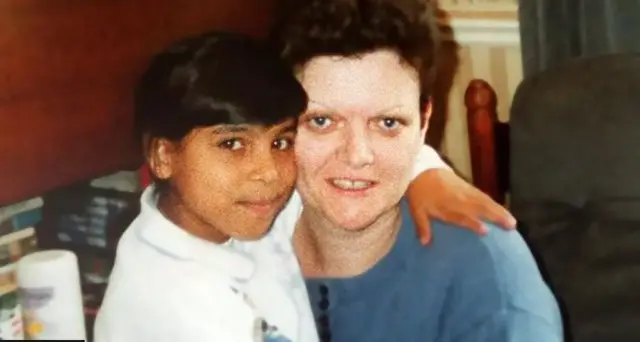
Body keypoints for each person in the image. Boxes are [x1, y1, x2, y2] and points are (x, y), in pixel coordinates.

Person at [94, 31, 513, 342]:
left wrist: (427, 173)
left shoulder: (231, 211)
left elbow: (360, 158)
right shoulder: (182, 310)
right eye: (232, 144)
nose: (269, 173)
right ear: (164, 156)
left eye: (280, 141)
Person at [269, 0, 564, 341]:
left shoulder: (492, 283)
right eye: (322, 121)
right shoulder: (239, 242)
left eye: (388, 123)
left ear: (424, 123)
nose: (357, 155)